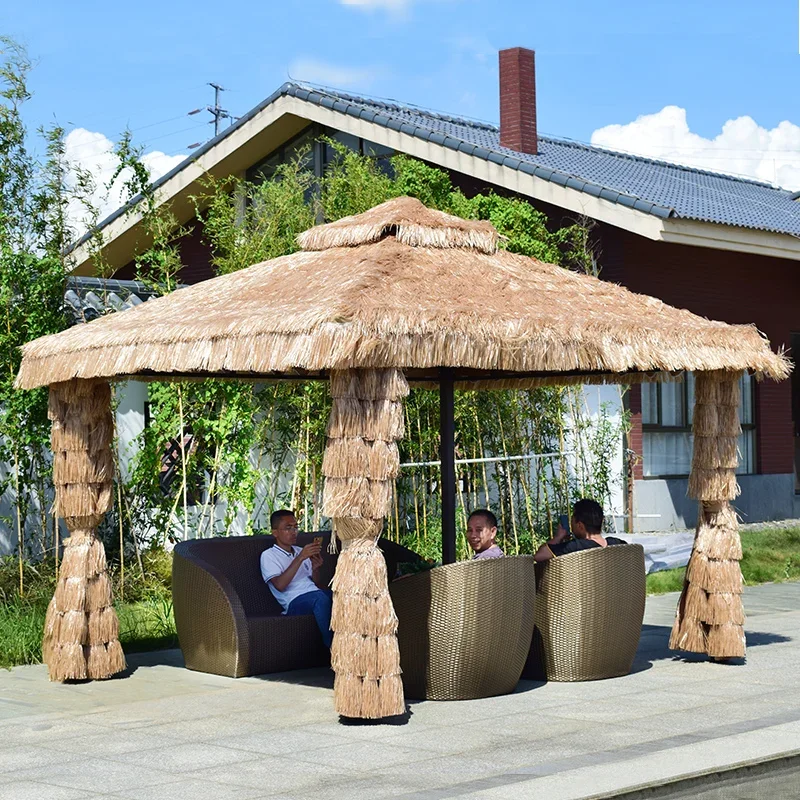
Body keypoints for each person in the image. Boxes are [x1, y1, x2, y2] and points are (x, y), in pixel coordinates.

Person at [259, 509, 333, 647]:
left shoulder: (300, 550)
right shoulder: (269, 555)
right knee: (319, 598)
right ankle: (335, 651)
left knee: (343, 597)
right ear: (275, 532)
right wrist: (300, 558)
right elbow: (280, 585)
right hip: (294, 602)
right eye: (288, 528)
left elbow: (315, 582)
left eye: (295, 527)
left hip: (314, 595)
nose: (294, 532)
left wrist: (316, 568)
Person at [534, 498, 625, 562]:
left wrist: (558, 537)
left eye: (572, 520)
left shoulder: (575, 547)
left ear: (580, 525)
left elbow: (539, 556)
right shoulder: (620, 545)